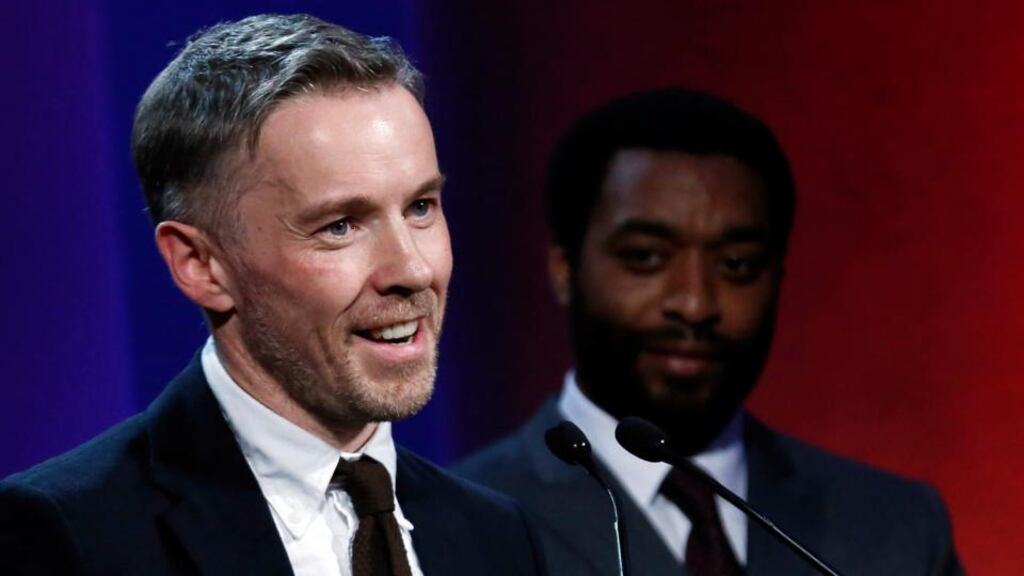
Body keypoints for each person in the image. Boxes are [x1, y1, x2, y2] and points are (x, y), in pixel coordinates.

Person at [0, 14, 544, 576]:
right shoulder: (69, 536)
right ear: (201, 265)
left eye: (421, 207)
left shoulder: (495, 535)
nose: (412, 268)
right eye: (340, 226)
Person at [454, 89, 963, 575]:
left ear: (779, 275)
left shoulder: (897, 528)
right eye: (645, 258)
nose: (695, 304)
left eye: (737, 264)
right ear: (565, 268)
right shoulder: (455, 525)